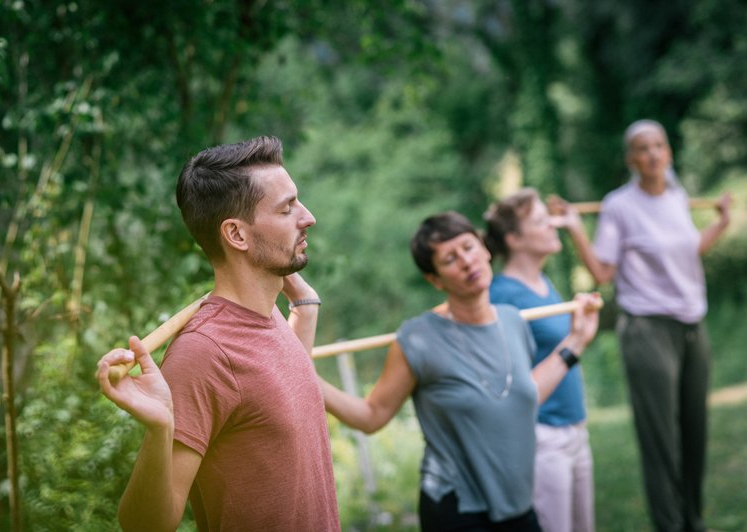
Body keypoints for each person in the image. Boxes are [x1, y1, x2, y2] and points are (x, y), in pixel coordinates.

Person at [95, 136, 341, 531]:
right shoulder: (204, 354)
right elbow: (144, 526)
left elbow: (280, 397)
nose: (307, 217)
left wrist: (304, 309)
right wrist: (161, 429)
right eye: (287, 208)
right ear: (237, 235)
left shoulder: (270, 317)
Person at [319, 211, 601, 531]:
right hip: (457, 508)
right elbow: (371, 415)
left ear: (485, 249)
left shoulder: (513, 321)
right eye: (450, 259)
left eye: (468, 247)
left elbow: (520, 396)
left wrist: (576, 341)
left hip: (518, 504)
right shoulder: (418, 338)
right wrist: (308, 378)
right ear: (435, 280)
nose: (467, 262)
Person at [548, 119, 732, 532]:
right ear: (631, 159)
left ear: (668, 152)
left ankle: (693, 521)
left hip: (691, 326)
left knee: (694, 432)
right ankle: (670, 526)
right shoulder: (619, 206)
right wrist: (577, 227)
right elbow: (602, 271)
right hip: (647, 329)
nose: (652, 154)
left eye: (659, 146)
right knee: (661, 440)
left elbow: (686, 253)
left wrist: (719, 224)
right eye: (642, 148)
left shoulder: (677, 198)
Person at [484, 188, 595, 532]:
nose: (553, 226)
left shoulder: (543, 282)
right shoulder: (502, 295)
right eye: (540, 221)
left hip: (574, 428)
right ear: (514, 239)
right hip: (542, 435)